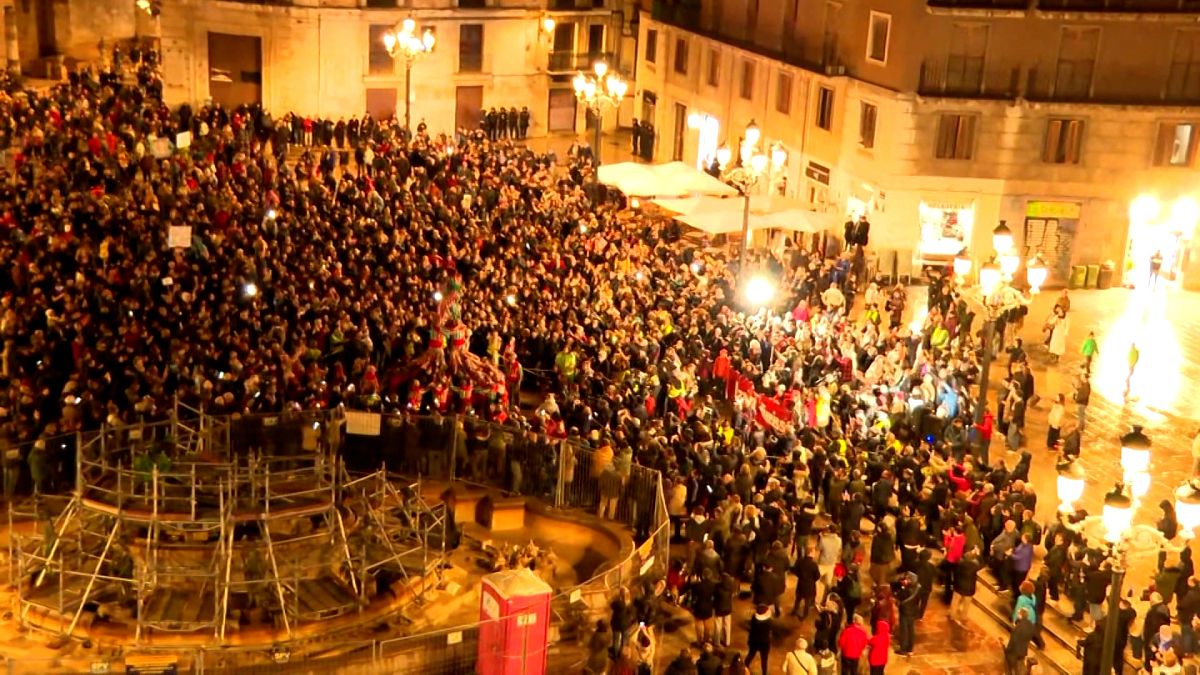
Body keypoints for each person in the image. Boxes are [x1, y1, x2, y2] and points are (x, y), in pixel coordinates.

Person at [1006, 607, 1038, 675]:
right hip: (1023, 651)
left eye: (1018, 614)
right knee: (1019, 667)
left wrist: (1007, 650)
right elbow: (1034, 635)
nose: (1017, 615)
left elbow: (1013, 641)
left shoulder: (1018, 627)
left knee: (1012, 668)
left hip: (1014, 652)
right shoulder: (1031, 625)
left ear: (1021, 615)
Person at [745, 604, 773, 675]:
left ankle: (745, 667)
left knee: (751, 655)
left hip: (754, 641)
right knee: (764, 659)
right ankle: (764, 673)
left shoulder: (754, 618)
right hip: (764, 643)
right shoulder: (768, 621)